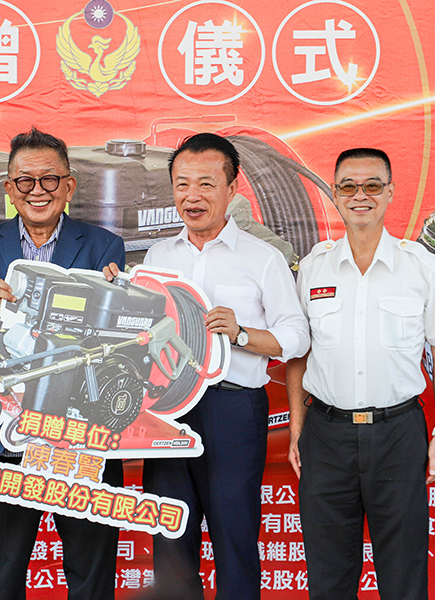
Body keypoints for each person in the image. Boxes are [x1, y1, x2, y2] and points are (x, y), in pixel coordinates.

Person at [105, 133, 309, 600]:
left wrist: (241, 334)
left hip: (232, 411)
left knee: (234, 537)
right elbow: (141, 334)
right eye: (182, 184)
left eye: (205, 184)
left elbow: (297, 337)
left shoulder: (263, 258)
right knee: (171, 537)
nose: (192, 196)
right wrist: (118, 299)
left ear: (232, 188)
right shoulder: (158, 257)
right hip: (168, 411)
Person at [0, 127, 125, 600]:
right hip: (2, 436)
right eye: (25, 180)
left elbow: (120, 339)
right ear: (9, 188)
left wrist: (115, 300)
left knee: (91, 575)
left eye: (50, 179)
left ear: (70, 185)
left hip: (80, 440)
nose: (37, 190)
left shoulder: (104, 246)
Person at [285, 148, 435, 600]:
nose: (359, 196)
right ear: (334, 193)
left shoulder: (422, 266)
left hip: (398, 435)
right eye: (348, 186)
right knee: (328, 575)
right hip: (326, 436)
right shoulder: (314, 267)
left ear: (390, 192)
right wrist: (298, 431)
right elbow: (298, 354)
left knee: (403, 575)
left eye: (372, 186)